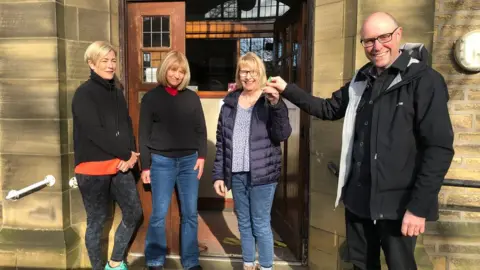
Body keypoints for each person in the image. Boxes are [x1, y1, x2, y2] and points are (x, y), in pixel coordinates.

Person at [265, 12, 454, 270]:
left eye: (383, 37)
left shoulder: (425, 81)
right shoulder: (361, 80)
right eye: (368, 41)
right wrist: (288, 89)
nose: (376, 46)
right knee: (361, 266)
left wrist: (418, 207)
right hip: (358, 200)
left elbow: (439, 148)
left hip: (398, 205)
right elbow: (328, 109)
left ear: (398, 35)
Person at [213, 52, 292, 270]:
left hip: (263, 174)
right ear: (238, 74)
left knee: (260, 223)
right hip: (237, 173)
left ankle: (266, 266)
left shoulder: (269, 100)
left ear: (261, 74)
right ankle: (248, 264)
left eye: (253, 72)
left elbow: (283, 134)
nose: (248, 76)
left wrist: (277, 105)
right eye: (244, 71)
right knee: (244, 223)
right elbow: (222, 142)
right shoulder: (229, 103)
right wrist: (219, 174)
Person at [72, 41, 143, 270]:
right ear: (92, 64)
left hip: (120, 166)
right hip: (92, 171)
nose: (110, 65)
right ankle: (97, 267)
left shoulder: (117, 91)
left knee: (134, 212)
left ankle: (114, 263)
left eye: (113, 60)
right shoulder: (84, 94)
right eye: (104, 61)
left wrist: (131, 155)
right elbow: (95, 133)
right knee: (97, 221)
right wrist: (125, 153)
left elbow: (126, 124)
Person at [139, 51, 207, 270]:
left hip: (189, 162)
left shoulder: (192, 98)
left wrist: (202, 156)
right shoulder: (151, 98)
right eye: (173, 69)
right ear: (165, 69)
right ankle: (155, 260)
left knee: (190, 214)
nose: (177, 75)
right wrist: (146, 166)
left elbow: (200, 130)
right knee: (158, 214)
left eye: (181, 71)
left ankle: (190, 262)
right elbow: (143, 134)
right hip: (161, 162)